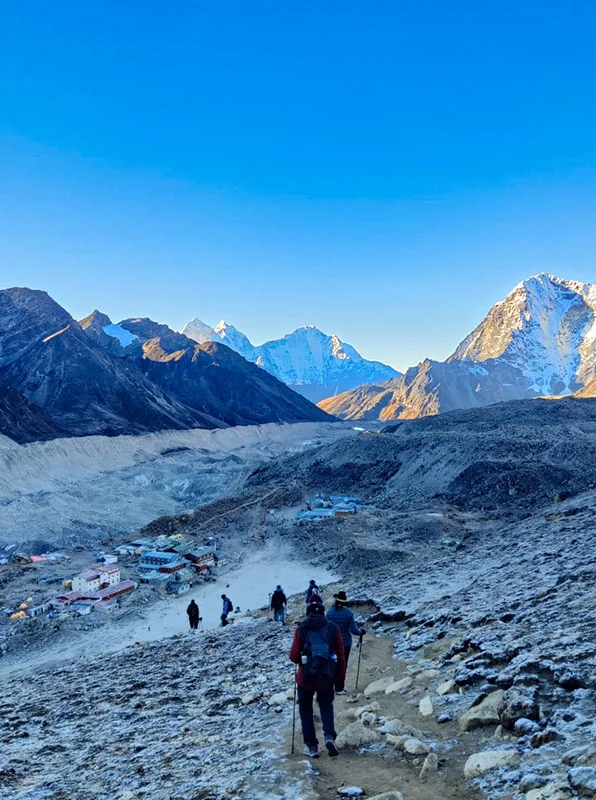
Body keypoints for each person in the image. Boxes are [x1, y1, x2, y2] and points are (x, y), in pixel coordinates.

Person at [289, 600, 345, 759]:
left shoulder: (301, 628)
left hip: (305, 678)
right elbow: (340, 656)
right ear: (323, 612)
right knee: (326, 705)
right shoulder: (333, 628)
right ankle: (329, 737)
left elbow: (293, 656)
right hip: (326, 676)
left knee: (305, 709)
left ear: (308, 613)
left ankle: (312, 747)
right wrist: (339, 681)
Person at [326, 591, 366, 693]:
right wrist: (361, 632)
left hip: (331, 644)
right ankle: (339, 688)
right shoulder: (348, 614)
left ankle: (330, 686)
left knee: (331, 665)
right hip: (345, 644)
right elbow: (354, 630)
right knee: (342, 666)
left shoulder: (329, 613)